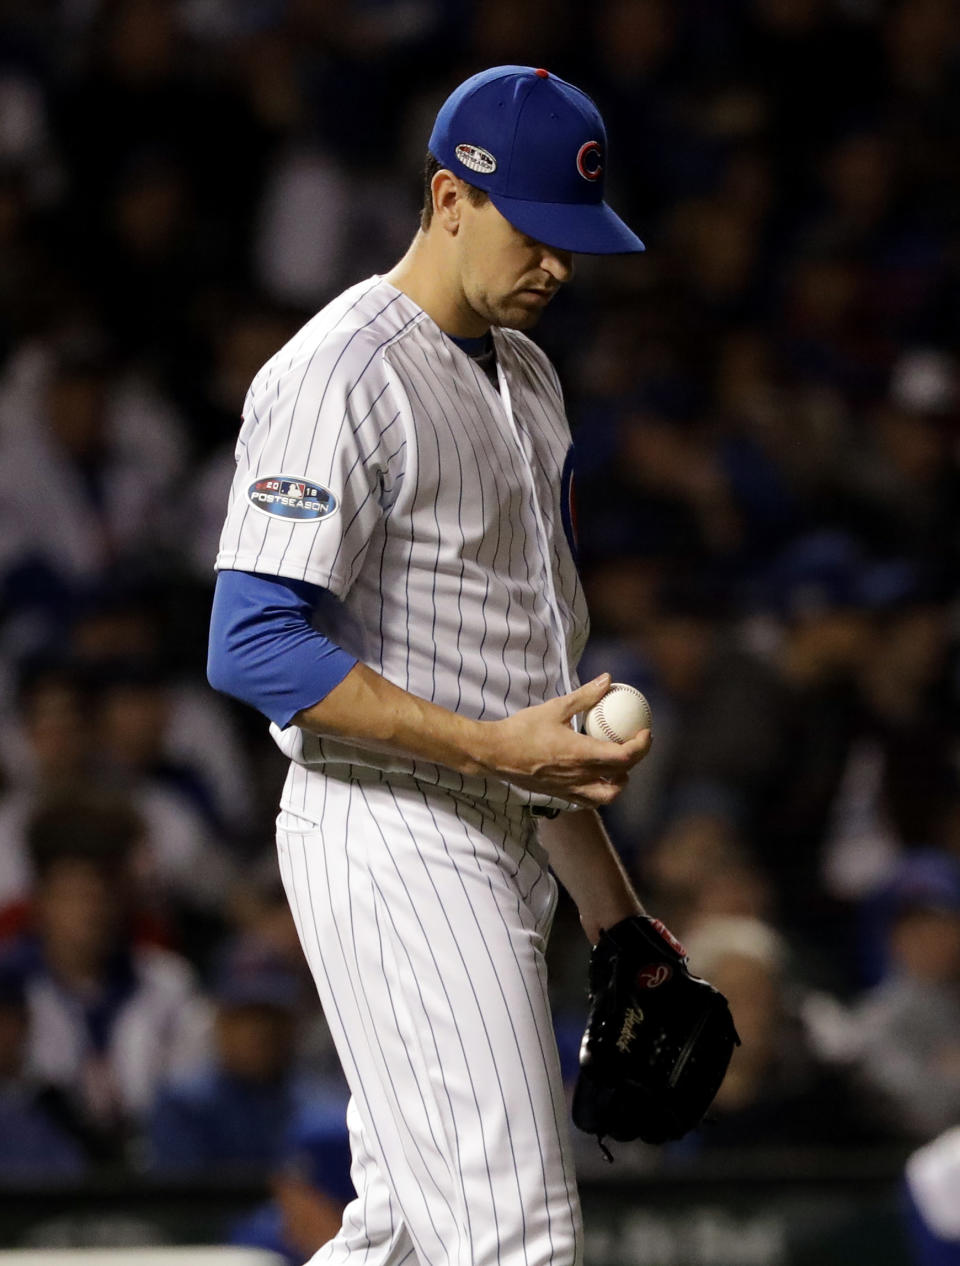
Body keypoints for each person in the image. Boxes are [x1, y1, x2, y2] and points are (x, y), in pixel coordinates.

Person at [208, 65, 654, 1266]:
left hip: (498, 830)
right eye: (538, 231)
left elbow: (530, 696)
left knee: (403, 1236)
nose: (559, 265)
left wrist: (617, 919)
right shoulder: (339, 369)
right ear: (450, 197)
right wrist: (491, 749)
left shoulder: (533, 380)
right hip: (392, 827)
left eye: (578, 240)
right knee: (517, 1238)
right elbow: (251, 643)